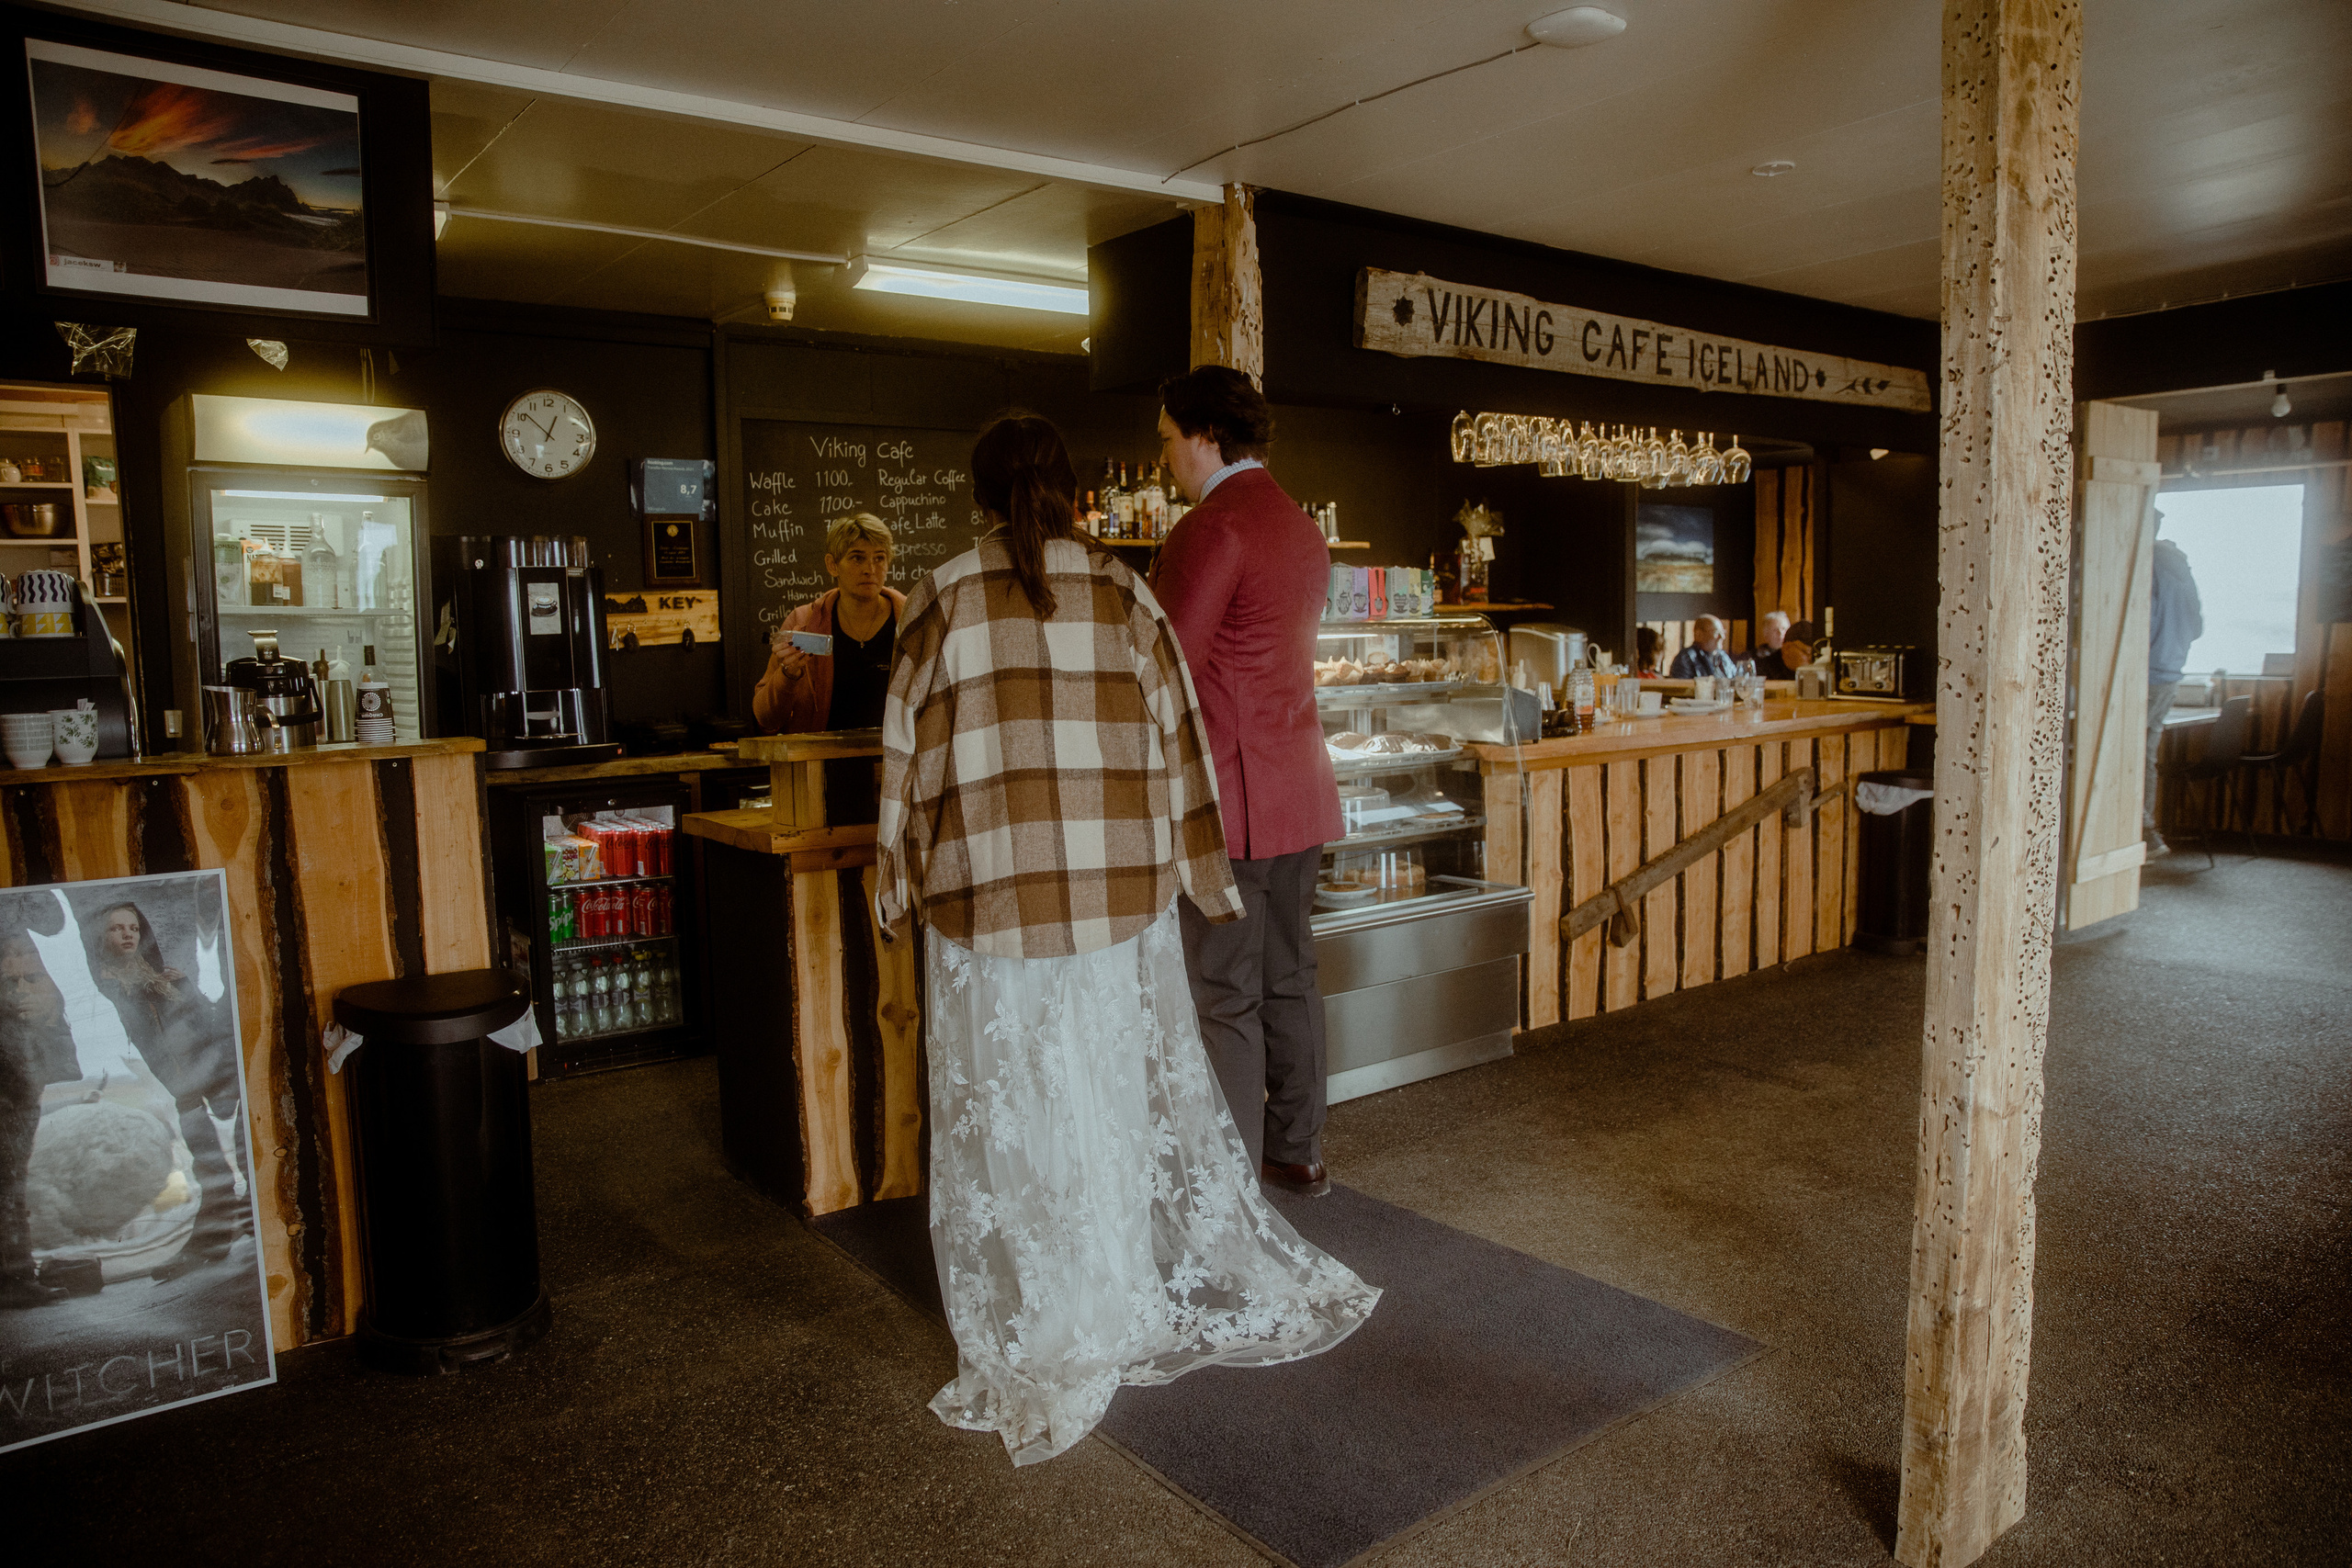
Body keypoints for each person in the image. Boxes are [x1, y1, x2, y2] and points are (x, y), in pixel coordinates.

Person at [876, 412, 1378, 1468]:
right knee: (1104, 1097)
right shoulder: (1123, 590)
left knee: (1012, 1107)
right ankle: (1113, 1286)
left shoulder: (942, 596)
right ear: (1066, 489)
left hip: (990, 903)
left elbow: (905, 761)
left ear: (978, 492)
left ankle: (1043, 1304)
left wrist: (897, 876)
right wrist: (1197, 874)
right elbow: (1181, 742)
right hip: (1113, 902)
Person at [1147, 366, 1344, 1195]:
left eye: (1165, 441)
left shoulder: (1210, 528)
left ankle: (1227, 1184)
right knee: (1289, 979)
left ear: (1203, 437)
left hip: (1228, 803)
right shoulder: (1302, 527)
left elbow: (1166, 665)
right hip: (1301, 791)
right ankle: (1297, 1151)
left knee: (1224, 992)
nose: (1162, 460)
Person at [84, 902, 250, 1281]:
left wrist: (185, 990)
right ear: (101, 938)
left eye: (133, 928)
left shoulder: (164, 978)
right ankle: (213, 1240)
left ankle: (222, 1237)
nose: (127, 934)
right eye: (117, 929)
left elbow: (206, 1027)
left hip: (214, 1079)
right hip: (171, 1090)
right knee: (210, 1167)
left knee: (234, 1161)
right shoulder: (106, 990)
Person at [751, 513, 907, 735]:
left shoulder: (913, 621)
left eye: (879, 558)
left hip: (896, 764)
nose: (870, 569)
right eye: (857, 558)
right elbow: (765, 718)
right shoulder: (804, 623)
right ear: (832, 565)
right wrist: (788, 675)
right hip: (823, 764)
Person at [0, 931, 80, 1308]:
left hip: (22, 1091)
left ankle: (17, 1276)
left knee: (12, 1183)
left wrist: (44, 1011)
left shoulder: (39, 989)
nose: (18, 961)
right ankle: (16, 1277)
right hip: (10, 1089)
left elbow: (60, 1048)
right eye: (10, 954)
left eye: (27, 952)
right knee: (8, 1184)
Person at [2144, 514, 2204, 855]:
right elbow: (2196, 626)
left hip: (2143, 673)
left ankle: (2137, 830)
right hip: (2170, 673)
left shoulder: (2146, 565)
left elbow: (2144, 620)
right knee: (2145, 754)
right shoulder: (2181, 569)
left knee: (2123, 754)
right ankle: (2145, 831)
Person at [1668, 615, 1736, 681]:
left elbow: (1737, 680)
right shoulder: (1686, 658)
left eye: (1722, 632)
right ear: (1699, 635)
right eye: (1716, 633)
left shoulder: (1722, 656)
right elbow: (1680, 689)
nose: (1722, 637)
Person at [1750, 610, 1794, 679]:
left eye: (1784, 629)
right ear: (1766, 635)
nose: (1780, 633)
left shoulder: (1795, 658)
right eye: (1775, 630)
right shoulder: (1754, 658)